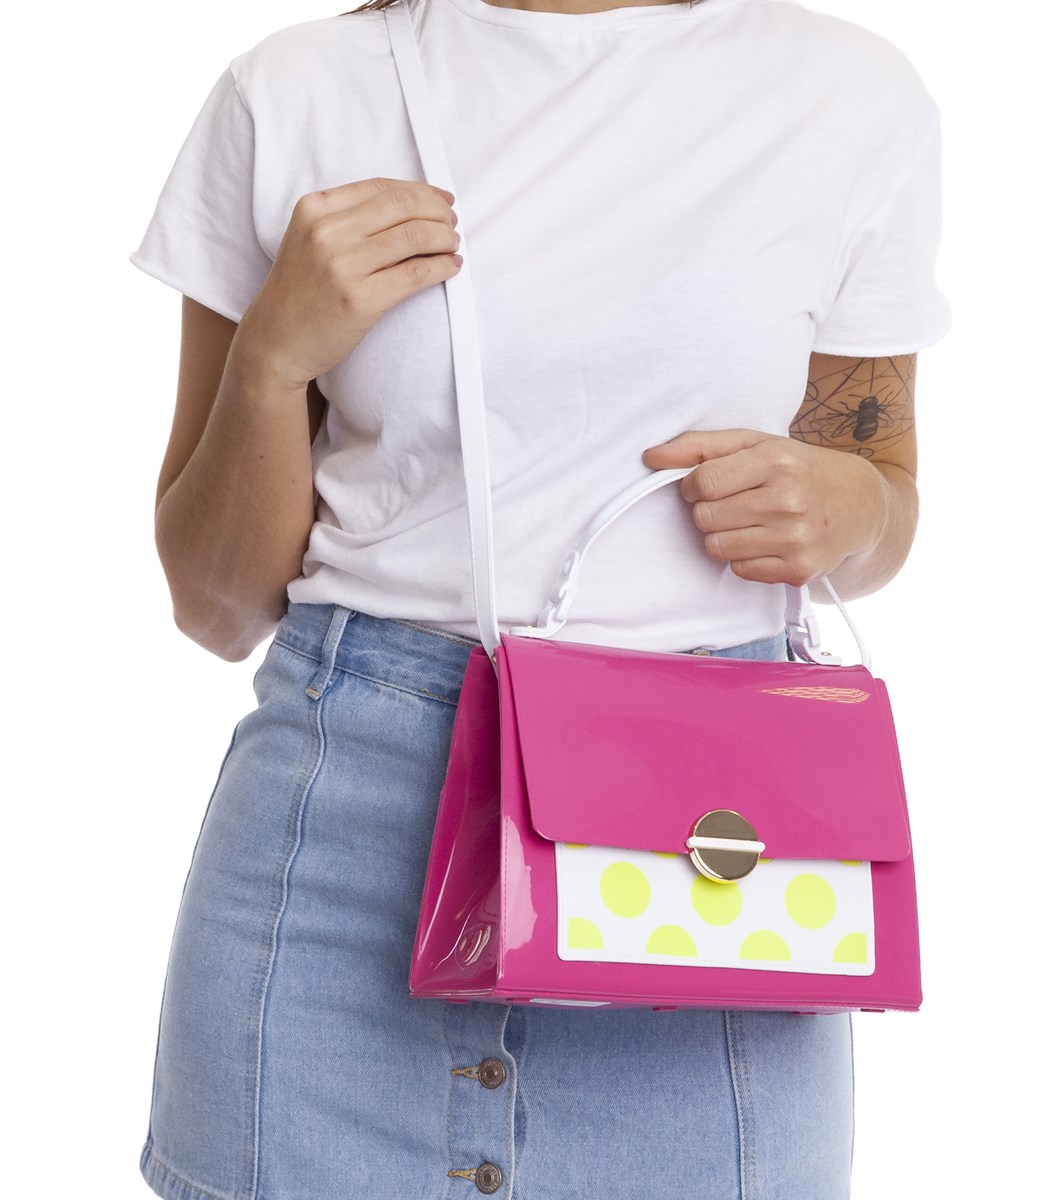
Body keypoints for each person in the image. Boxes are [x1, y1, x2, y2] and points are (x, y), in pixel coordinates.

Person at [128, 0, 950, 1195]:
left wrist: (852, 509)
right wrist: (268, 361)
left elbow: (880, 509)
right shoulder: (297, 89)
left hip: (711, 864)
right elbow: (214, 605)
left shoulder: (847, 95)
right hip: (341, 856)